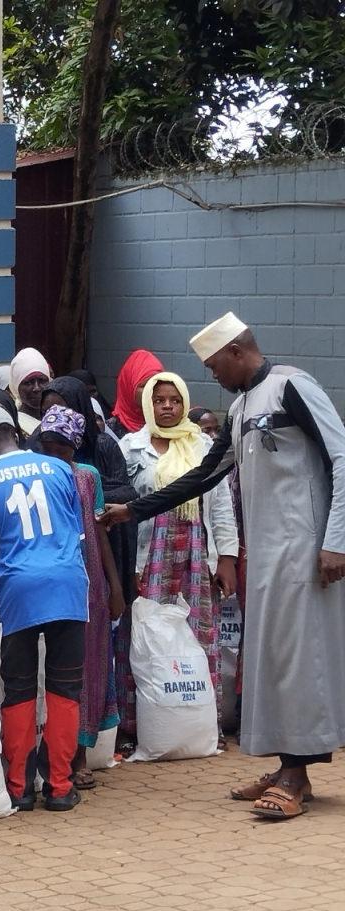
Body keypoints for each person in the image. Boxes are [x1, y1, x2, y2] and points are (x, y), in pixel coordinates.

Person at [102, 314, 345, 819]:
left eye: (214, 366)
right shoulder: (239, 409)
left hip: (305, 550)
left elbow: (342, 458)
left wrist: (337, 542)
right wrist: (134, 510)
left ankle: (297, 778)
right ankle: (285, 766)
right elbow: (205, 475)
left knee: (298, 660)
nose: (212, 377)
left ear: (237, 352)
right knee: (274, 661)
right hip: (268, 555)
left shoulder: (292, 388)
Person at [0, 407, 89, 812]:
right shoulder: (61, 470)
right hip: (69, 585)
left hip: (18, 590)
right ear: (15, 433)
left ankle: (19, 788)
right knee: (64, 687)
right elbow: (77, 533)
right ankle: (61, 788)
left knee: (18, 689)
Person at [120, 372, 239, 748]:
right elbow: (127, 510)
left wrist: (227, 558)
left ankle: (204, 724)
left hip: (195, 554)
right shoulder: (131, 447)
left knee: (200, 635)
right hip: (150, 555)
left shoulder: (204, 445)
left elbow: (220, 505)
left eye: (174, 400)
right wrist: (129, 568)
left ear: (184, 403)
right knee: (148, 635)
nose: (167, 407)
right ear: (147, 406)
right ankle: (146, 727)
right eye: (159, 401)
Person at [34, 376, 140, 752]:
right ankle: (48, 751)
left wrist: (113, 587)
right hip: (48, 581)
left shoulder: (88, 476)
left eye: (62, 448)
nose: (54, 454)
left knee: (90, 662)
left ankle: (78, 753)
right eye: (47, 446)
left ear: (75, 447)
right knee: (52, 666)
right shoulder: (33, 476)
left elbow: (101, 536)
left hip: (90, 580)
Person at [107, 349, 164, 439]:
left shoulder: (170, 425)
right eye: (144, 385)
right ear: (128, 388)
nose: (152, 391)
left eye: (156, 385)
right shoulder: (109, 433)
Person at [8, 347, 52, 434]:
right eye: (28, 383)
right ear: (16, 387)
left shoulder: (60, 418)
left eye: (42, 380)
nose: (37, 388)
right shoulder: (13, 425)